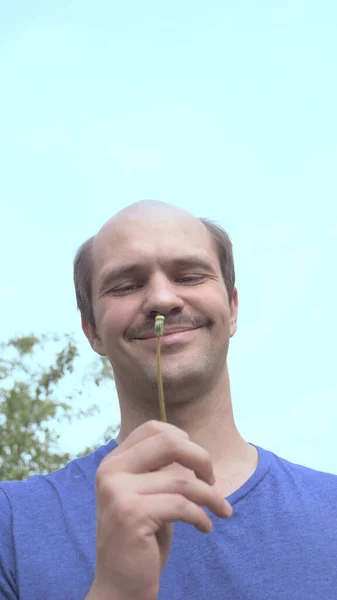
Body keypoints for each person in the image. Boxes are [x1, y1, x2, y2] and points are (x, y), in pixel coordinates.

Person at [0, 200, 336, 600]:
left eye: (190, 276)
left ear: (232, 307)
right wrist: (116, 590)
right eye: (126, 285)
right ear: (92, 330)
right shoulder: (12, 524)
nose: (161, 298)